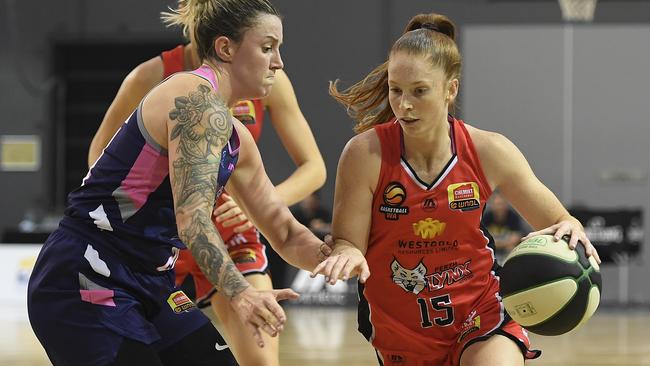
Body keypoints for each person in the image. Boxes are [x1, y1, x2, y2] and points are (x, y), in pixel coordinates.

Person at [27, 1, 330, 365]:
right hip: (87, 271)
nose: (278, 62)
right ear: (225, 48)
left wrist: (342, 253)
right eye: (267, 48)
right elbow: (194, 221)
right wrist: (240, 293)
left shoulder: (237, 137)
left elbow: (283, 231)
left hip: (151, 278)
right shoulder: (193, 99)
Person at [313, 13, 602, 366]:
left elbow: (558, 218)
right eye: (395, 90)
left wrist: (570, 225)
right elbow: (347, 242)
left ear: (450, 89)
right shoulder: (365, 154)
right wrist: (348, 252)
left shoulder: (489, 151)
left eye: (419, 91)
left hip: (478, 313)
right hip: (399, 329)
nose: (404, 104)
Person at [482, 190, 525, 263]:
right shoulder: (486, 217)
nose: (499, 207)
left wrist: (497, 243)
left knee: (511, 248)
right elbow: (484, 238)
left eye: (501, 204)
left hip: (507, 249)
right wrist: (503, 243)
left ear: (505, 204)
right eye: (497, 204)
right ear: (492, 204)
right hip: (493, 249)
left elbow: (515, 238)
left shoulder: (513, 216)